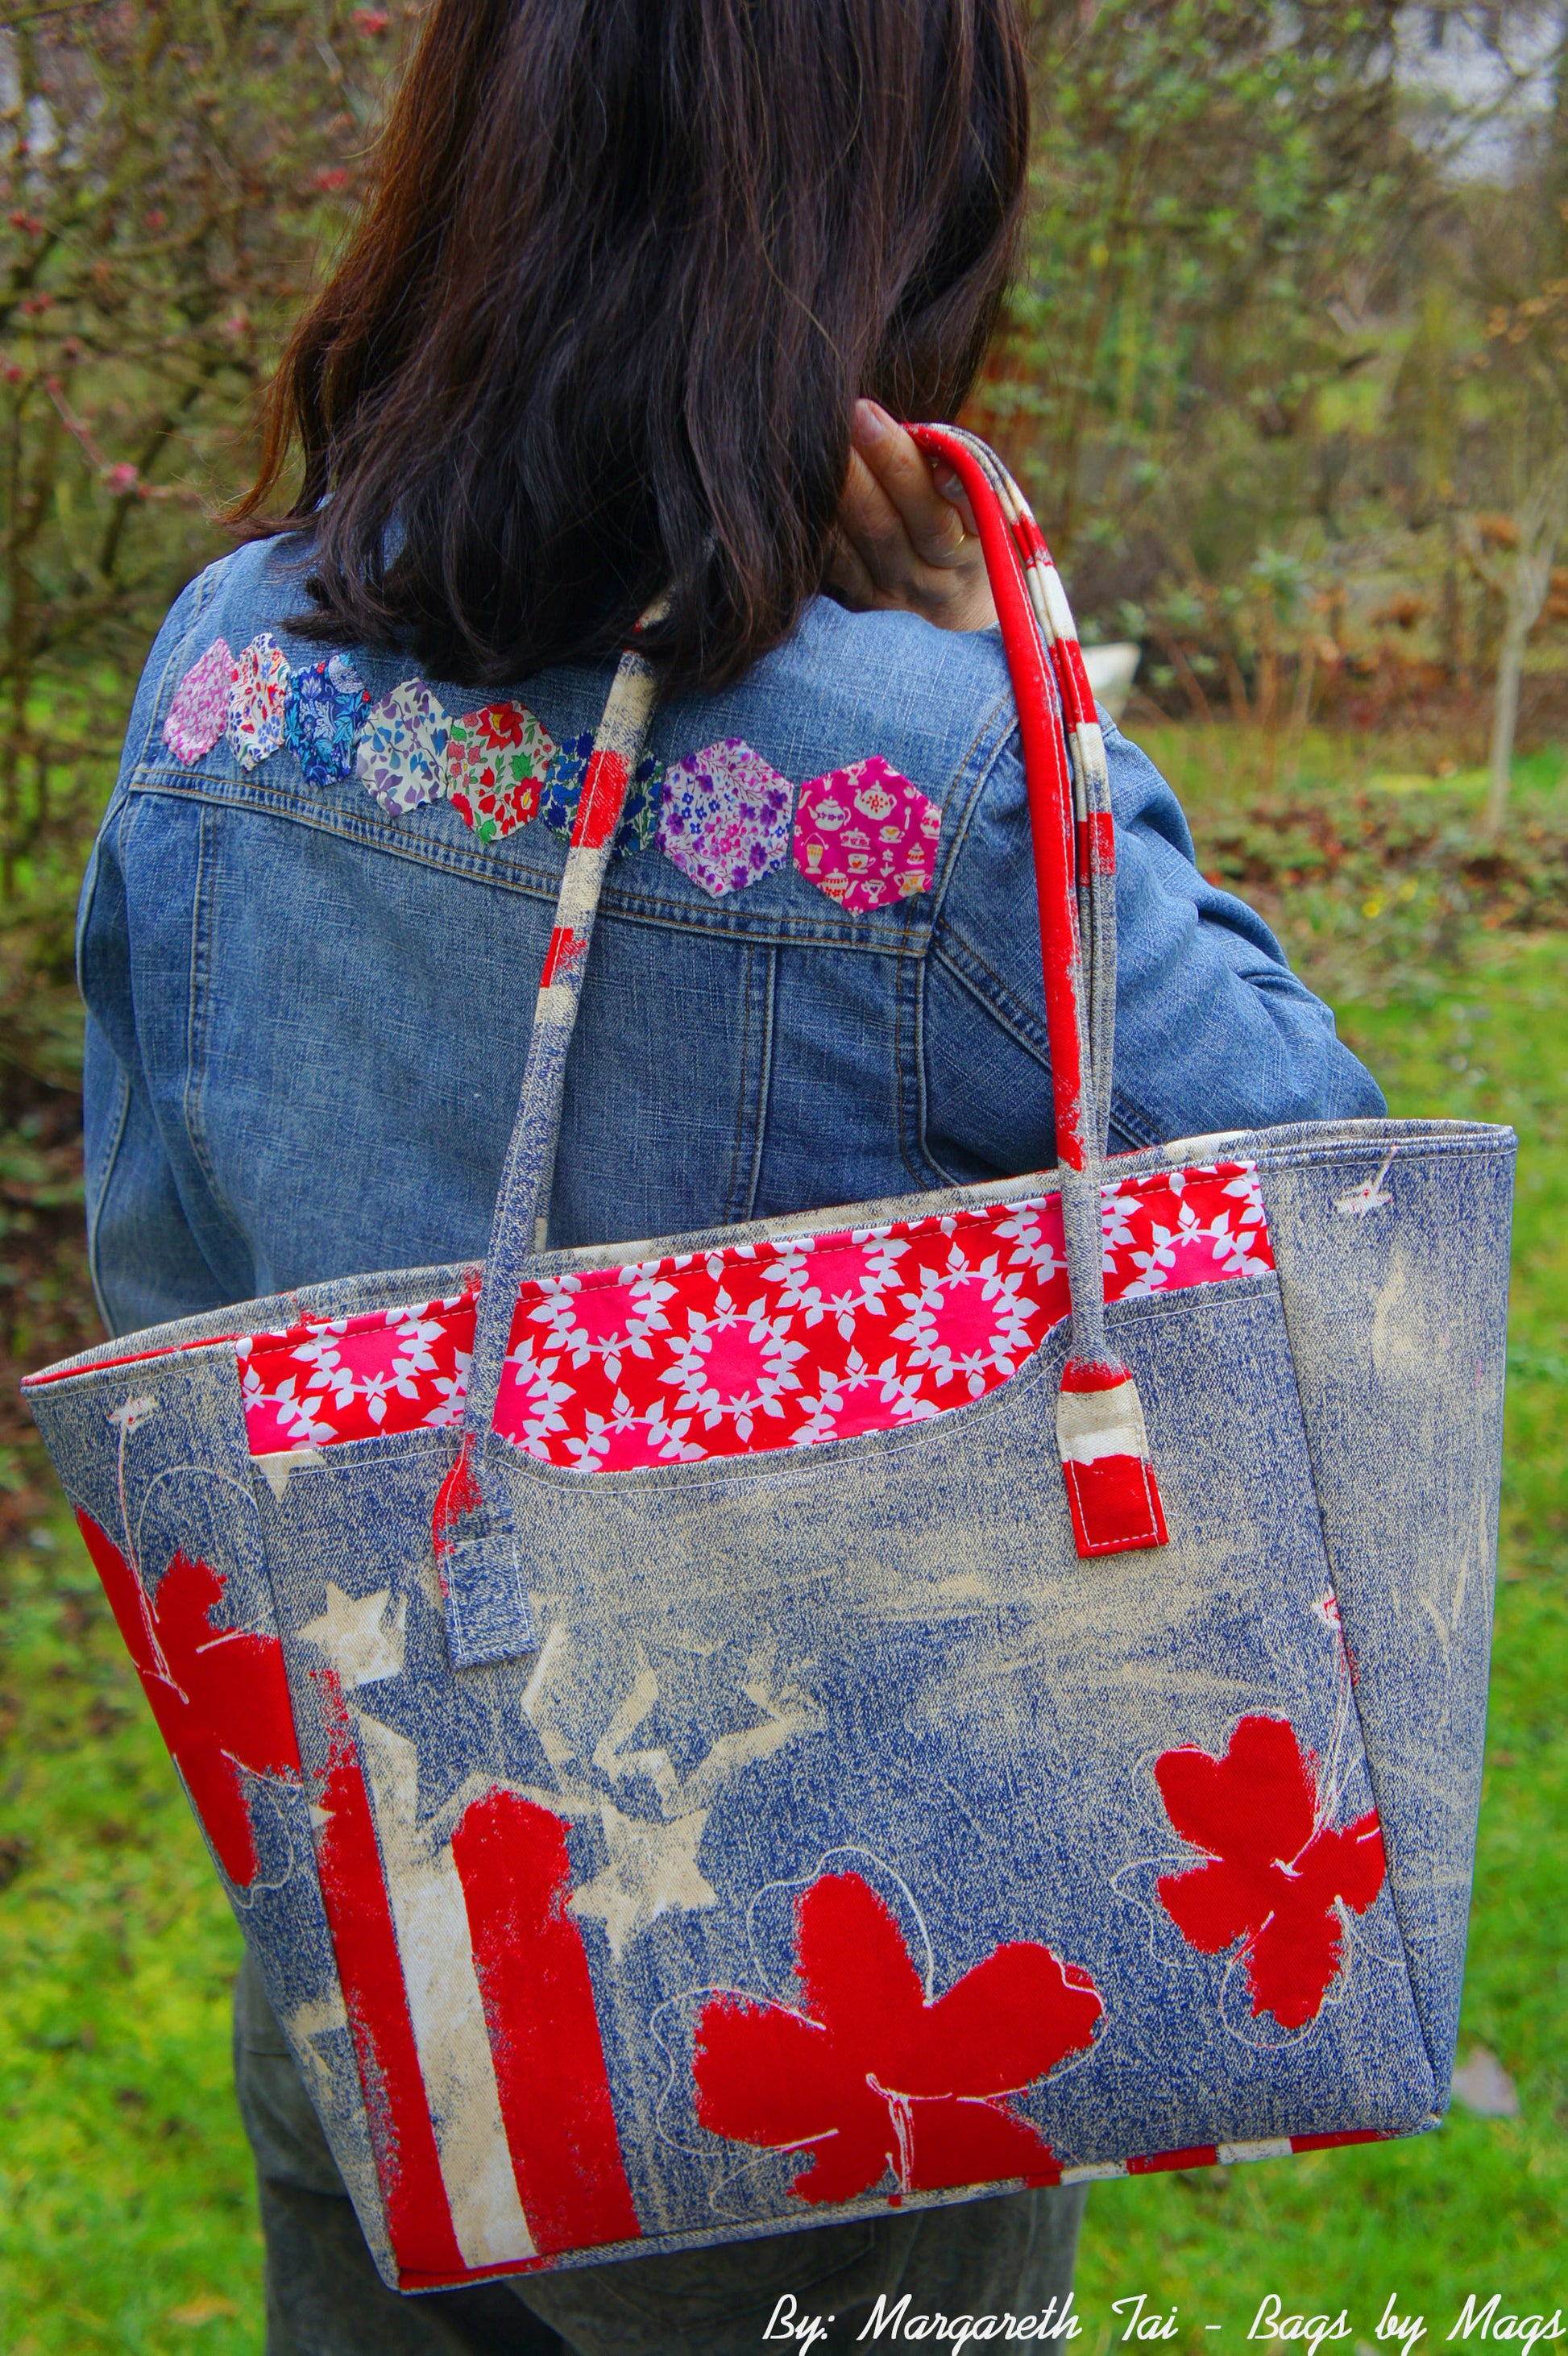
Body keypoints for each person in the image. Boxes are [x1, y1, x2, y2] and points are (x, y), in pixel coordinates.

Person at [77, 2, 1384, 2349]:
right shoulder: (939, 776)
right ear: (884, 224)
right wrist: (1032, 686)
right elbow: (1333, 1230)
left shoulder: (218, 680)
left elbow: (177, 1290)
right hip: (831, 2048)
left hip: (398, 1942)